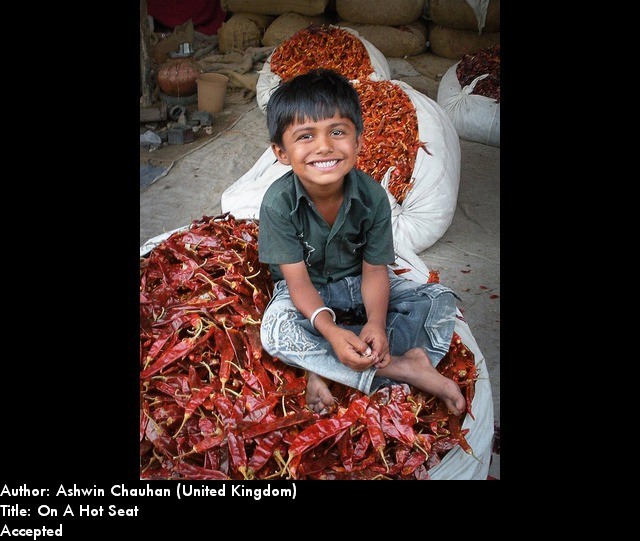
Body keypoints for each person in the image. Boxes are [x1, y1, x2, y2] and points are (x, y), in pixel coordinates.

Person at [258, 68, 466, 416]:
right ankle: (403, 366)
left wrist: (376, 324)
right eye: (306, 136)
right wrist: (330, 330)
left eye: (337, 132)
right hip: (307, 295)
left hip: (358, 283)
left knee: (439, 301)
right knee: (276, 331)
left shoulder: (373, 197)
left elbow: (374, 271)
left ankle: (323, 368)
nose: (324, 146)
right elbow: (297, 283)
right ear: (281, 152)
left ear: (358, 142)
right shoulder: (277, 204)